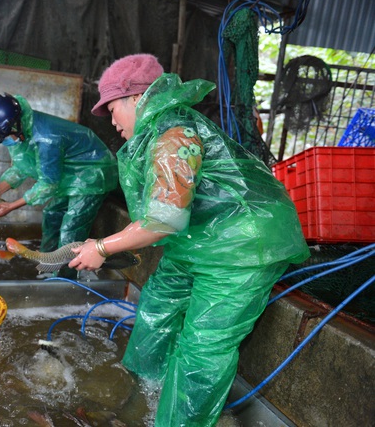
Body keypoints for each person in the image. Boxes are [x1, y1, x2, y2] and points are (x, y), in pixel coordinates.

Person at [69, 54, 310, 426]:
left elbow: (163, 220)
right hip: (199, 241)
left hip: (242, 245)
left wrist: (101, 248)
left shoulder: (173, 136)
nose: (111, 119)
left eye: (112, 107)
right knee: (155, 307)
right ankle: (141, 398)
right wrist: (102, 244)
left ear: (137, 99)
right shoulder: (154, 135)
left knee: (201, 350)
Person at [0, 93, 118, 266]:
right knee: (51, 213)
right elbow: (23, 166)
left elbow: (48, 184)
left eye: (5, 137)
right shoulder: (23, 131)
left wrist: (11, 207)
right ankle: (46, 263)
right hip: (70, 176)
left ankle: (64, 278)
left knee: (70, 230)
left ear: (15, 124)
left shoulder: (46, 138)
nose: (5, 142)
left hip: (93, 174)